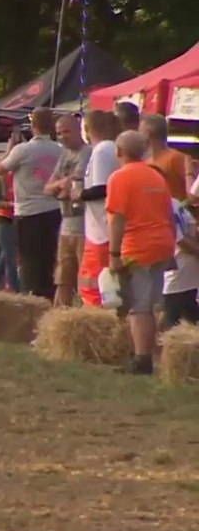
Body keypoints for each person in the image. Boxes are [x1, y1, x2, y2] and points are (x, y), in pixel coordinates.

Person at [106, 130, 175, 375]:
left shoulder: (120, 177)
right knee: (151, 303)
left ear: (119, 151)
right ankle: (148, 355)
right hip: (162, 244)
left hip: (137, 247)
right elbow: (169, 214)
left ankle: (142, 360)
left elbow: (117, 218)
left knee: (139, 306)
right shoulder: (156, 176)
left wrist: (114, 254)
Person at [0, 108, 63, 300]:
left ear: (33, 126)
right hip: (54, 209)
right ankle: (48, 297)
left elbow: (0, 169)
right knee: (49, 259)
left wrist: (9, 149)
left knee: (29, 260)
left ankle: (32, 297)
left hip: (28, 211)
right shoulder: (60, 150)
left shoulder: (22, 150)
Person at [77, 110, 122, 306]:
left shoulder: (102, 150)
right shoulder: (109, 148)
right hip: (99, 228)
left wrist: (78, 194)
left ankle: (96, 316)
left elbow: (103, 188)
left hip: (101, 230)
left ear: (87, 129)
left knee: (94, 286)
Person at [46, 115, 91, 307]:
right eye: (58, 133)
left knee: (85, 278)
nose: (62, 136)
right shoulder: (64, 155)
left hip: (84, 225)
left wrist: (62, 186)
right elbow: (49, 188)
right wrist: (62, 185)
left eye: (66, 132)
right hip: (66, 225)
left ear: (78, 130)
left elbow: (74, 183)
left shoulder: (88, 152)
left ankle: (85, 313)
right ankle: (60, 314)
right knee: (62, 277)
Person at [161, 197, 199, 331]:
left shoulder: (173, 203)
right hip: (180, 272)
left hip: (185, 273)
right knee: (174, 320)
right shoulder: (168, 204)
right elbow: (180, 239)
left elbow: (184, 236)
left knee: (185, 320)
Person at [142, 114, 188, 200]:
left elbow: (194, 189)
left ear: (147, 133)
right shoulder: (145, 161)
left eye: (140, 130)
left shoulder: (175, 158)